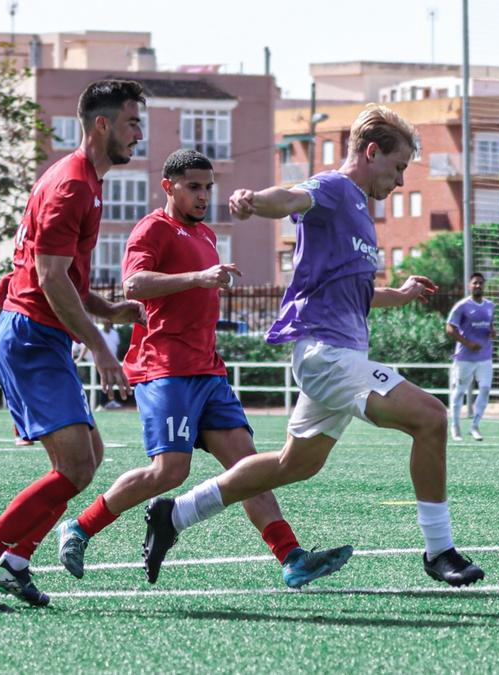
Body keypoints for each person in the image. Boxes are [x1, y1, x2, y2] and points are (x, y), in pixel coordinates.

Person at [142, 105, 485, 588]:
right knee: (431, 418)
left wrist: (400, 294)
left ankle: (173, 515)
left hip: (340, 355)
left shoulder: (362, 215)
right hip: (326, 354)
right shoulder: (336, 188)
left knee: (293, 464)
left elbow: (354, 293)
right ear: (371, 152)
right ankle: (439, 549)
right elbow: (290, 197)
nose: (402, 180)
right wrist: (252, 200)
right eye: (399, 166)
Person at [57, 149, 352, 589]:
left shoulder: (208, 235)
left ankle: (291, 556)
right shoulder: (152, 228)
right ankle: (80, 527)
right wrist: (197, 278)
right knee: (170, 472)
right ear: (168, 186)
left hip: (208, 372)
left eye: (208, 188)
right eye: (194, 187)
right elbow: (133, 285)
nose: (202, 195)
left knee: (247, 467)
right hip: (166, 369)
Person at [0, 79, 147, 612]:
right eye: (131, 123)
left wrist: (108, 311)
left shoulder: (83, 180)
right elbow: (50, 278)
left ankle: (15, 562)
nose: (139, 133)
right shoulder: (73, 186)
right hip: (34, 337)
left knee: (91, 457)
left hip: (39, 333)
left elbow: (57, 276)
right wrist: (102, 348)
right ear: (101, 124)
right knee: (77, 466)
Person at [0, 272, 32, 446]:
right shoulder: (7, 280)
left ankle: (39, 427)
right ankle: (20, 431)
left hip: (35, 336)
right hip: (12, 337)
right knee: (15, 385)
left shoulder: (42, 274)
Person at [446, 272, 495, 441]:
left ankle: (474, 426)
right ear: (469, 285)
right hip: (465, 357)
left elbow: (490, 326)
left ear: (484, 285)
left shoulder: (490, 306)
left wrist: (492, 332)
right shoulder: (462, 306)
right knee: (459, 391)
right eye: (475, 283)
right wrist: (468, 343)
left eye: (480, 283)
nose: (478, 286)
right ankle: (455, 426)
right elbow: (450, 328)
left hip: (485, 357)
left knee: (485, 388)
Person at [75, 320, 123, 410]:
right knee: (99, 383)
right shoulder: (97, 332)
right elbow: (87, 345)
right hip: (97, 363)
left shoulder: (115, 333)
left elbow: (117, 347)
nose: (107, 323)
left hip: (111, 363)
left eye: (109, 321)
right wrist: (80, 358)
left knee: (110, 382)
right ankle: (99, 404)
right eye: (105, 321)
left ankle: (109, 402)